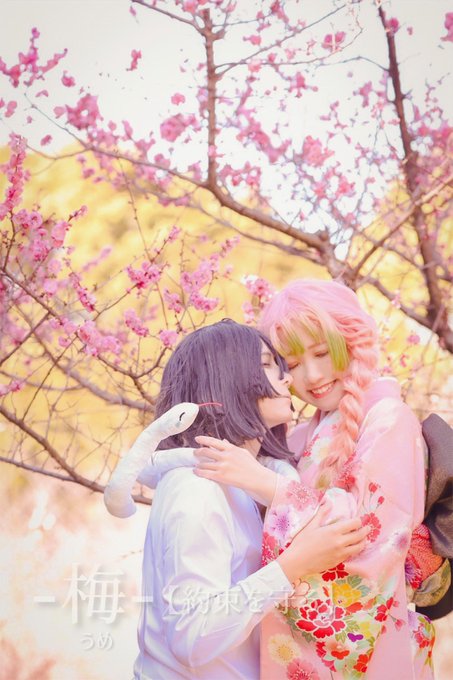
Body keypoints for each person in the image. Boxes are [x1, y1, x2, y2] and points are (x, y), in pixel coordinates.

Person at [193, 280, 439, 679]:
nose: (312, 375)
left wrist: (270, 486)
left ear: (353, 342)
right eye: (291, 364)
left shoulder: (389, 419)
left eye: (323, 353)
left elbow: (368, 533)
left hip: (372, 647)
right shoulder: (302, 435)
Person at [112, 320, 369, 680]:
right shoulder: (198, 488)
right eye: (267, 365)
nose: (287, 379)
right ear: (227, 378)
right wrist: (291, 567)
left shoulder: (244, 484)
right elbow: (192, 638)